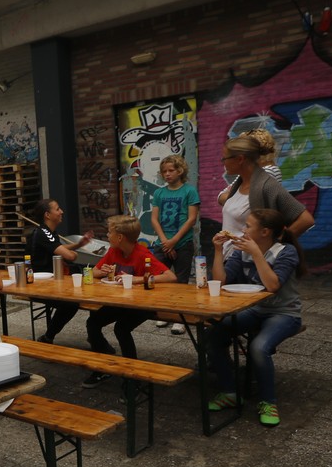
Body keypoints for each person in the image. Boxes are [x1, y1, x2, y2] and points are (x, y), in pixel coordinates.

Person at [206, 209, 306, 427]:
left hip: (284, 312)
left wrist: (257, 254)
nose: (243, 230)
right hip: (255, 309)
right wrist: (218, 250)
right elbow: (220, 282)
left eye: (248, 226)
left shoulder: (286, 252)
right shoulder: (241, 251)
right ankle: (229, 393)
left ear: (265, 232)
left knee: (259, 347)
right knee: (212, 335)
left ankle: (268, 402)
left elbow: (272, 286)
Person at [82, 214, 175, 388]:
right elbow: (94, 271)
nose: (107, 235)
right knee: (93, 322)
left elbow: (170, 276)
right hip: (121, 302)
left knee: (121, 328)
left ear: (119, 237)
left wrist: (137, 279)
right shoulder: (114, 251)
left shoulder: (142, 254)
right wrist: (104, 271)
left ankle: (132, 378)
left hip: (143, 304)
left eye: (109, 232)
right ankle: (102, 366)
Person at [217, 135, 313, 257]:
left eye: (224, 158)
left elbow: (306, 220)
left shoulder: (267, 185)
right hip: (230, 262)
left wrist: (274, 247)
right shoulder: (239, 183)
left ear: (240, 159)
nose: (223, 162)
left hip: (250, 265)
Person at [25, 199, 93, 344]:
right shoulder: (44, 233)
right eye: (57, 209)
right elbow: (69, 256)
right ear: (47, 215)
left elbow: (57, 247)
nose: (61, 211)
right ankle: (48, 337)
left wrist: (78, 245)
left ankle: (94, 333)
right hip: (40, 285)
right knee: (71, 304)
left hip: (52, 281)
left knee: (91, 285)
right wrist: (74, 254)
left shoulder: (48, 232)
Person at [150, 155, 200, 335]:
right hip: (163, 243)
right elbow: (154, 219)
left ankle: (180, 317)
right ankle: (165, 313)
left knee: (181, 280)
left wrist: (174, 241)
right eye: (164, 171)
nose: (167, 174)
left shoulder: (189, 191)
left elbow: (191, 219)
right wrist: (165, 241)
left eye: (171, 170)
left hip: (183, 243)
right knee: (160, 279)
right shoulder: (159, 193)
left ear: (180, 170)